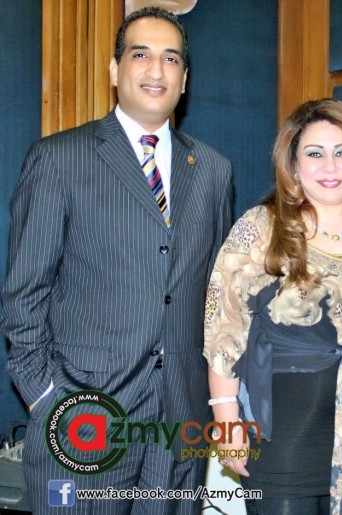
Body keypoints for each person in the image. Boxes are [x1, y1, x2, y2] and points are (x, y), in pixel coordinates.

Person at [1, 6, 232, 514]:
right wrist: (44, 397)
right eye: (140, 55)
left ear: (184, 79)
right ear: (114, 70)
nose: (156, 70)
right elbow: (23, 295)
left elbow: (215, 297)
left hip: (179, 423)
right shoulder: (59, 159)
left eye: (171, 58)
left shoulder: (213, 171)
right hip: (83, 418)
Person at [203, 99, 342, 515]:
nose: (329, 166)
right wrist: (226, 420)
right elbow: (224, 327)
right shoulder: (261, 227)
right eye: (314, 153)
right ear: (293, 165)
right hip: (282, 432)